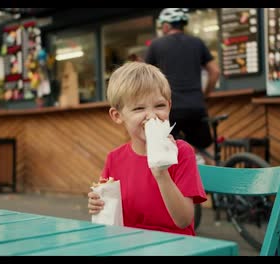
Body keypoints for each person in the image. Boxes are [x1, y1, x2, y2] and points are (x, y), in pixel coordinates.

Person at [88, 62, 207, 236]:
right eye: (138, 108)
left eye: (159, 106)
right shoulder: (114, 159)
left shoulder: (182, 152)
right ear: (117, 115)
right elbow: (110, 219)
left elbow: (184, 221)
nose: (151, 116)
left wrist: (161, 174)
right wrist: (97, 204)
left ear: (169, 106)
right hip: (129, 244)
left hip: (176, 246)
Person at [145, 8, 221, 164]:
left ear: (166, 26)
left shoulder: (156, 45)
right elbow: (215, 71)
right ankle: (216, 187)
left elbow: (146, 77)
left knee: (169, 155)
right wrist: (205, 95)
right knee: (208, 150)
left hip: (169, 109)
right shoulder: (197, 43)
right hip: (195, 106)